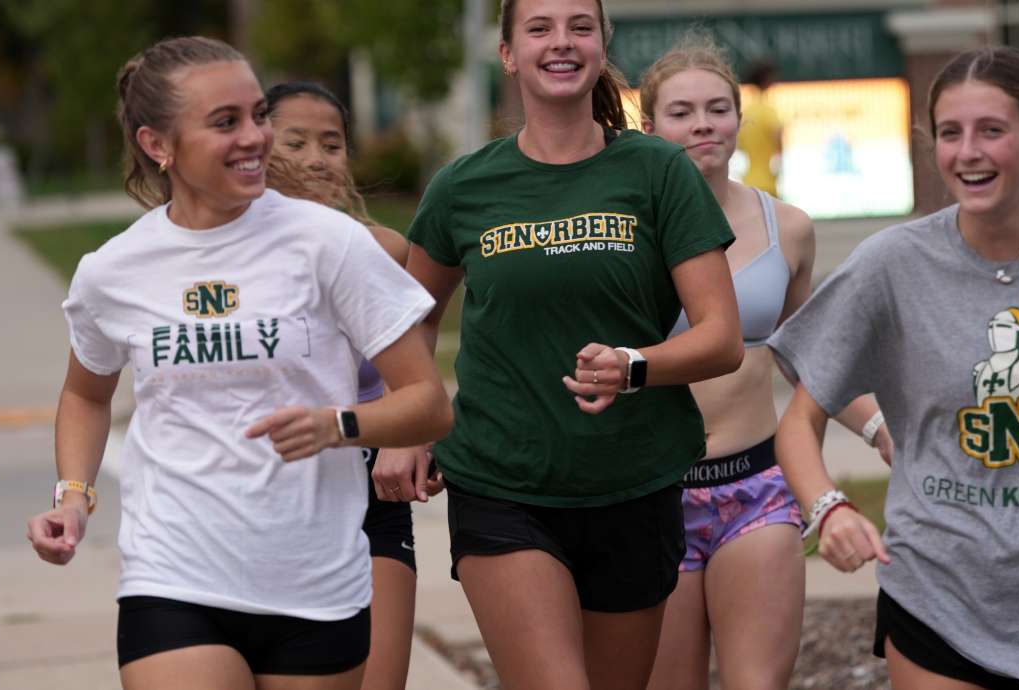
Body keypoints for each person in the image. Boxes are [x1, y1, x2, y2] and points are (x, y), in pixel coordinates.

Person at [23, 36, 452, 690]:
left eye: (256, 115)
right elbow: (86, 393)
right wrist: (74, 497)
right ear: (157, 144)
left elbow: (429, 403)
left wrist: (339, 425)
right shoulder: (114, 270)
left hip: (313, 581)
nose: (254, 137)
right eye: (225, 122)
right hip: (172, 573)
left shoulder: (330, 244)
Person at [373, 1, 744, 688]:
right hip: (501, 483)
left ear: (602, 44)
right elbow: (409, 318)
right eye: (539, 28)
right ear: (508, 53)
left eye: (580, 26)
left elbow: (722, 338)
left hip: (634, 481)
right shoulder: (463, 186)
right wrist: (410, 421)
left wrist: (634, 366)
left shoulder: (660, 171)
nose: (561, 42)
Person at [771, 46, 1019, 689]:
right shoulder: (891, 265)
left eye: (992, 130)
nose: (967, 152)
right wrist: (829, 508)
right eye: (950, 133)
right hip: (938, 600)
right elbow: (799, 420)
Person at [636, 36, 891, 690]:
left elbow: (808, 356)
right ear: (649, 126)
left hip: (756, 488)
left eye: (717, 109)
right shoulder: (626, 234)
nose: (702, 125)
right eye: (682, 112)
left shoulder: (788, 228)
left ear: (739, 119)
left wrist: (880, 428)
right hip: (651, 494)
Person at [264, 80, 431, 690]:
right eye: (296, 142)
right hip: (265, 498)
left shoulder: (383, 250)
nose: (317, 159)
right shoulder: (229, 260)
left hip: (367, 493)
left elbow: (416, 377)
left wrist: (408, 437)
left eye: (332, 145)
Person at [737, 60, 783, 196]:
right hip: (767, 185)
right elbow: (778, 140)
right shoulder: (768, 112)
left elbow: (739, 146)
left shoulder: (746, 112)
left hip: (747, 183)